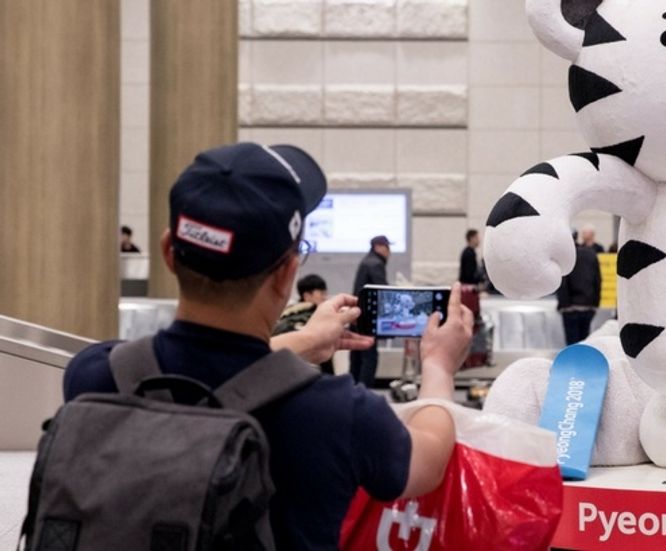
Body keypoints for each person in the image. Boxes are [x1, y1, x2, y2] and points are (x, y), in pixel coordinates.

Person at [62, 142, 473, 549]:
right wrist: (438, 365)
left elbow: (206, 375)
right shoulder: (336, 412)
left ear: (169, 252)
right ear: (287, 274)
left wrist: (307, 340)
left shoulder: (97, 375)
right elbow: (428, 459)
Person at [274, 274, 335, 374]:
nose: (325, 298)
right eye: (321, 294)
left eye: (325, 293)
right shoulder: (311, 320)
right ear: (307, 296)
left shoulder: (287, 315)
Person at [350, 235, 390, 388]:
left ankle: (352, 390)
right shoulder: (375, 264)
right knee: (369, 356)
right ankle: (363, 392)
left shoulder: (366, 261)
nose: (389, 252)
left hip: (358, 314)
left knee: (357, 357)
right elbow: (383, 290)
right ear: (379, 246)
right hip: (368, 317)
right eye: (387, 248)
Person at [556, 238, 602, 344]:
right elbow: (598, 280)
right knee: (584, 343)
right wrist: (595, 304)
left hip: (570, 308)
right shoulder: (591, 254)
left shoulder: (566, 258)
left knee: (571, 345)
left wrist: (564, 305)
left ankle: (572, 361)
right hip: (588, 306)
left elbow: (562, 282)